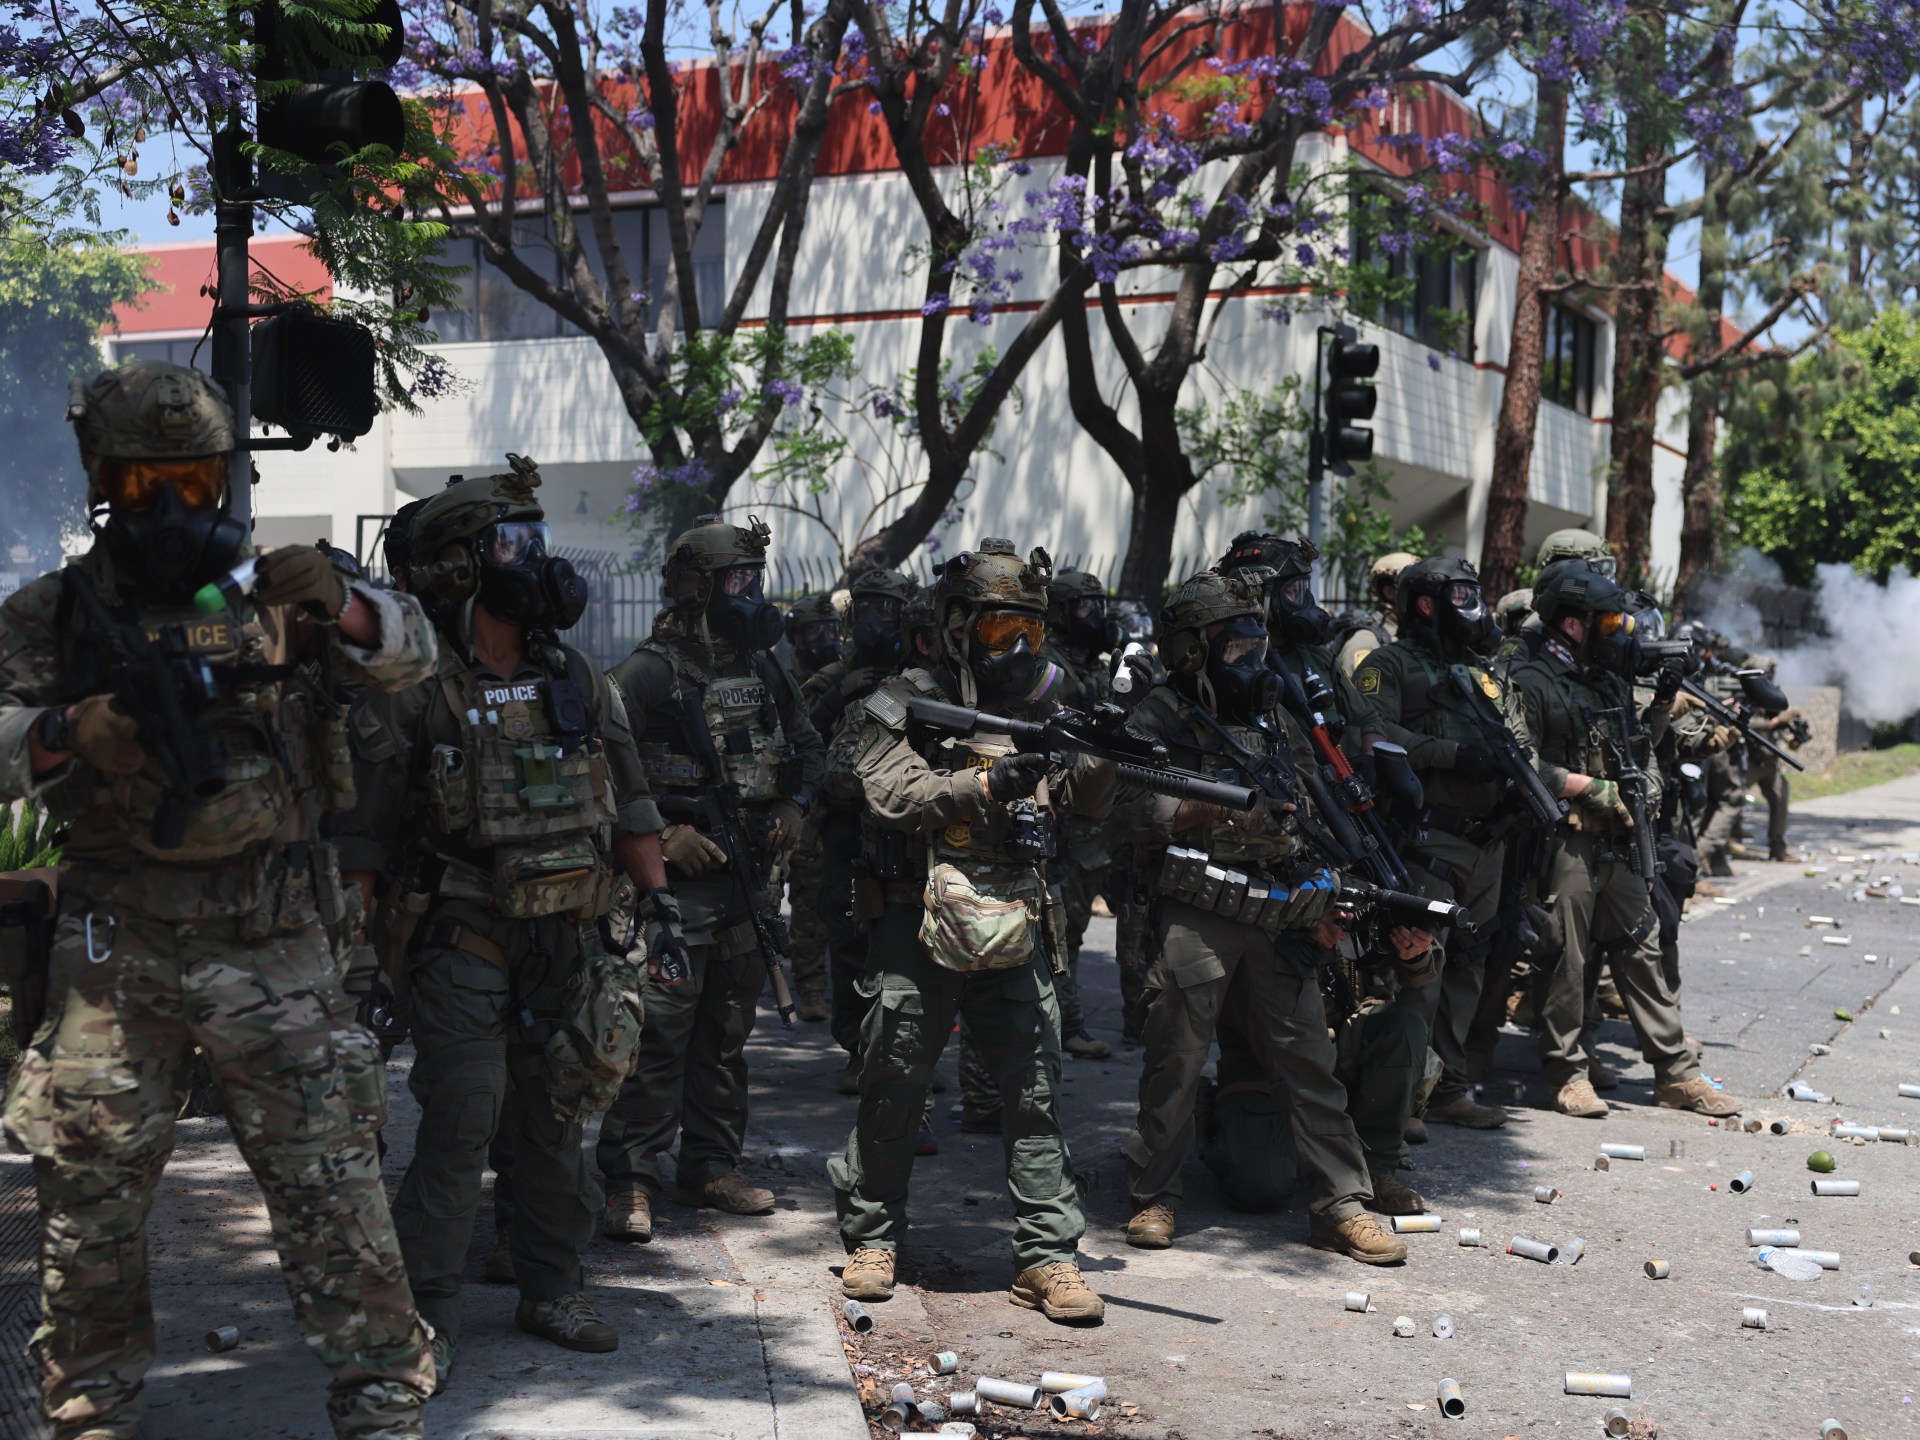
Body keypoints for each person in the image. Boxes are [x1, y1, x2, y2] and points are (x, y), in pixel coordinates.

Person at [0, 359, 438, 1438]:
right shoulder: (54, 616)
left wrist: (346, 604)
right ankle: (90, 1412)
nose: (170, 509)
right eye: (142, 484)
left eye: (192, 482)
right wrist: (63, 732)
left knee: (335, 1197)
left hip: (275, 936)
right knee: (89, 1209)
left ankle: (385, 1408)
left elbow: (414, 657)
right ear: (102, 481)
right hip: (117, 948)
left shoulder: (280, 592)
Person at [339, 457, 677, 1382]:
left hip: (565, 931)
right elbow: (363, 839)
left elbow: (632, 804)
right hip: (459, 930)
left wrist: (660, 907)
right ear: (458, 566)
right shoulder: (415, 686)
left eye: (535, 539)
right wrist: (354, 970)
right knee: (465, 1111)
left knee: (554, 1115)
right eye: (511, 544)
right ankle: (427, 1313)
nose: (535, 560)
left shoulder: (575, 674)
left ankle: (551, 1286)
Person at [829, 538, 1110, 1324]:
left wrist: (1099, 751)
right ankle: (873, 1238)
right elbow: (890, 791)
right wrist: (986, 781)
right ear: (955, 628)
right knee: (894, 1080)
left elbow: (1088, 803)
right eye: (996, 629)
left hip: (1015, 915)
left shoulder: (1048, 703)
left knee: (1034, 1089)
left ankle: (1048, 1256)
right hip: (916, 916)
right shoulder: (900, 699)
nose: (1016, 648)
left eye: (1029, 630)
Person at [1117, 571, 1420, 1263]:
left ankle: (1340, 1203)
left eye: (1258, 644)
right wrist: (1216, 808)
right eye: (1236, 647)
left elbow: (1310, 803)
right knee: (1176, 1055)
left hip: (1278, 907)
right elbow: (1123, 808)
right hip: (1198, 904)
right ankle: (1154, 1194)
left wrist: (1324, 887)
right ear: (1192, 649)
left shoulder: (1274, 717)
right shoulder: (1158, 715)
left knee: (1307, 1055)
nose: (1252, 659)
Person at [597, 514, 825, 1236]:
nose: (750, 593)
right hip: (672, 893)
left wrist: (792, 806)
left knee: (726, 1037)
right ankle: (630, 1180)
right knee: (658, 1035)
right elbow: (593, 770)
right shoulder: (648, 672)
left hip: (747, 883)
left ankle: (711, 1166)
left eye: (755, 578)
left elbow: (810, 747)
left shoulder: (765, 667)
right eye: (736, 580)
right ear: (696, 587)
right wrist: (663, 836)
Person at [1509, 568, 1740, 1120]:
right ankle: (1567, 1074)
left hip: (1621, 840)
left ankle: (1676, 1075)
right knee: (1565, 957)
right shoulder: (1531, 680)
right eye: (1610, 622)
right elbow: (1521, 762)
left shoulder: (1608, 681)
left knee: (1643, 949)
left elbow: (1643, 751)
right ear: (1573, 624)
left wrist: (1647, 790)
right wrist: (1592, 790)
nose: (1622, 632)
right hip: (1567, 840)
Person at [1351, 557, 1517, 1131]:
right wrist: (1451, 755)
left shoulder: (1481, 670)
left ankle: (1448, 1089)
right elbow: (1372, 732)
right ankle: (1403, 1100)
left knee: (1468, 965)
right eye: (1462, 594)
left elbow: (1515, 735)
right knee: (1420, 968)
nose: (1474, 604)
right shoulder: (1388, 664)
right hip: (1429, 837)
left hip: (1486, 839)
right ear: (1426, 602)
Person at [800, 568, 917, 1046]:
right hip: (845, 829)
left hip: (903, 827)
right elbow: (798, 736)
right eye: (865, 609)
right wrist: (838, 695)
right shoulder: (832, 677)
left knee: (909, 945)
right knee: (850, 944)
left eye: (885, 610)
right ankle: (856, 1050)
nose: (873, 622)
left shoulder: (919, 679)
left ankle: (904, 1054)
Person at [1040, 565, 1117, 1060]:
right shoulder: (1046, 661)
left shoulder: (1096, 665)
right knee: (1061, 924)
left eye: (1099, 606)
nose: (1097, 616)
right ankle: (1066, 1024)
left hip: (1097, 808)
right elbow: (1055, 707)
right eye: (1086, 607)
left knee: (1079, 922)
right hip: (1063, 806)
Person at [782, 591, 844, 1021]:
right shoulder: (787, 681)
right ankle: (810, 987)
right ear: (796, 638)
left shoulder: (849, 675)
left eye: (831, 629)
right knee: (807, 897)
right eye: (814, 631)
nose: (825, 639)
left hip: (845, 800)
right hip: (808, 802)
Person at [1333, 550, 1418, 677]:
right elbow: (1354, 689)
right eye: (1414, 589)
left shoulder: (1410, 635)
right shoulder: (1366, 642)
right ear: (1390, 592)